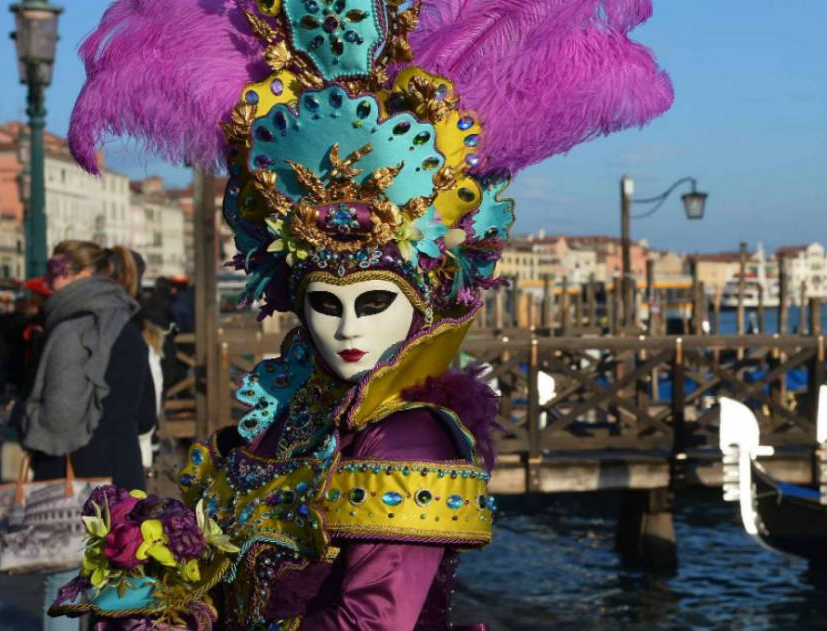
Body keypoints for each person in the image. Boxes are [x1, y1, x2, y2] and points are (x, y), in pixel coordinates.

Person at [52, 0, 670, 627]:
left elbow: (373, 622)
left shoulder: (411, 439)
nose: (348, 330)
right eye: (325, 305)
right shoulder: (304, 414)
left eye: (373, 302)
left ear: (422, 302)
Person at [16, 240, 157, 631]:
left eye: (57, 270)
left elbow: (58, 421)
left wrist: (24, 417)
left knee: (66, 584)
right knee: (121, 589)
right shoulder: (129, 329)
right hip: (125, 478)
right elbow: (146, 417)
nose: (48, 280)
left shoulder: (72, 327)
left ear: (83, 274)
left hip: (74, 482)